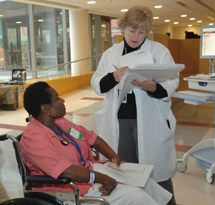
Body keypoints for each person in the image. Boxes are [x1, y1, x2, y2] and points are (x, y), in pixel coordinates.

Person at [20, 81, 172, 205]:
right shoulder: (33, 138)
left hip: (89, 171)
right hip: (69, 189)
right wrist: (104, 179)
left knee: (144, 181)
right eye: (57, 98)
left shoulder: (60, 123)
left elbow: (91, 137)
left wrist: (112, 155)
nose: (62, 100)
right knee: (136, 195)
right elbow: (66, 171)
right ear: (45, 108)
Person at [91, 6, 179, 205]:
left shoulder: (159, 51)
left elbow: (172, 82)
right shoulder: (110, 54)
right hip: (120, 123)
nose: (136, 36)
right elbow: (97, 84)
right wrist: (113, 77)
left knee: (158, 174)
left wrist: (152, 87)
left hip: (151, 122)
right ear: (123, 28)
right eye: (132, 31)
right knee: (126, 172)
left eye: (141, 32)